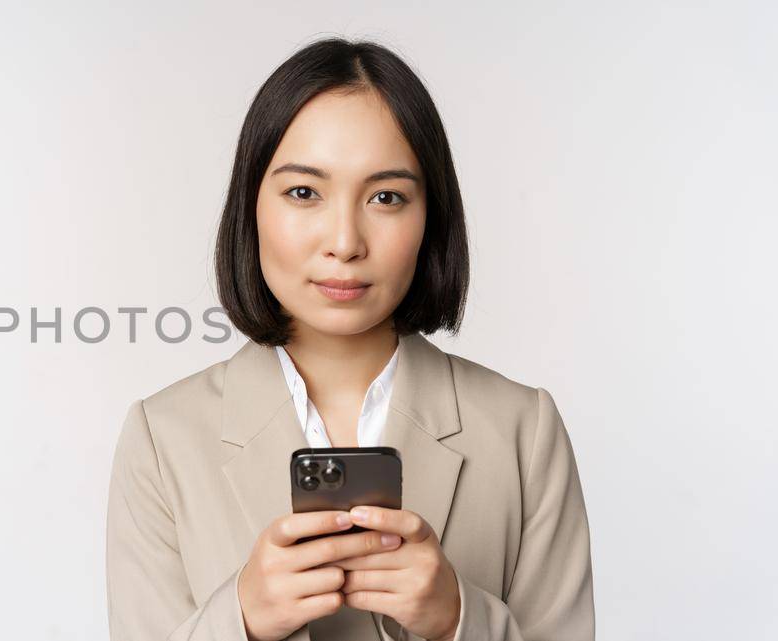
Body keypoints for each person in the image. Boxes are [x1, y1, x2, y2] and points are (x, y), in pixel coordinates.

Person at [104, 38, 593, 641]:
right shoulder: (163, 438)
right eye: (304, 192)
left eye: (386, 197)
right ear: (250, 207)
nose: (344, 240)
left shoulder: (524, 430)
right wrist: (241, 620)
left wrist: (457, 619)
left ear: (430, 217)